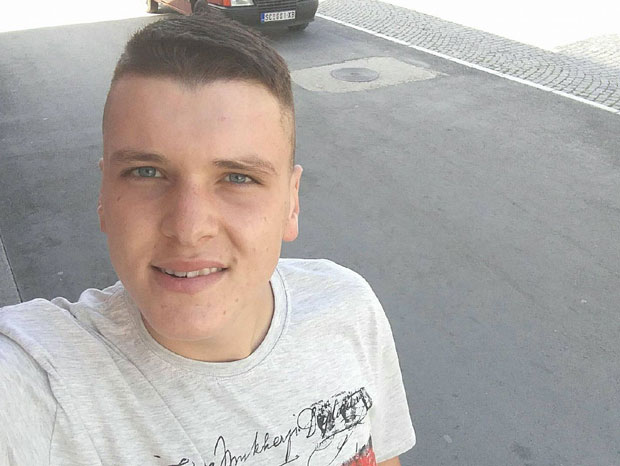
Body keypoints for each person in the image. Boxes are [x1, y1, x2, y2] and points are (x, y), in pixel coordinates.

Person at [0, 12, 415, 466]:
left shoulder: (349, 308)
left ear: (291, 203)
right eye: (146, 172)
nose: (189, 227)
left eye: (238, 177)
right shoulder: (38, 383)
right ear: (104, 196)